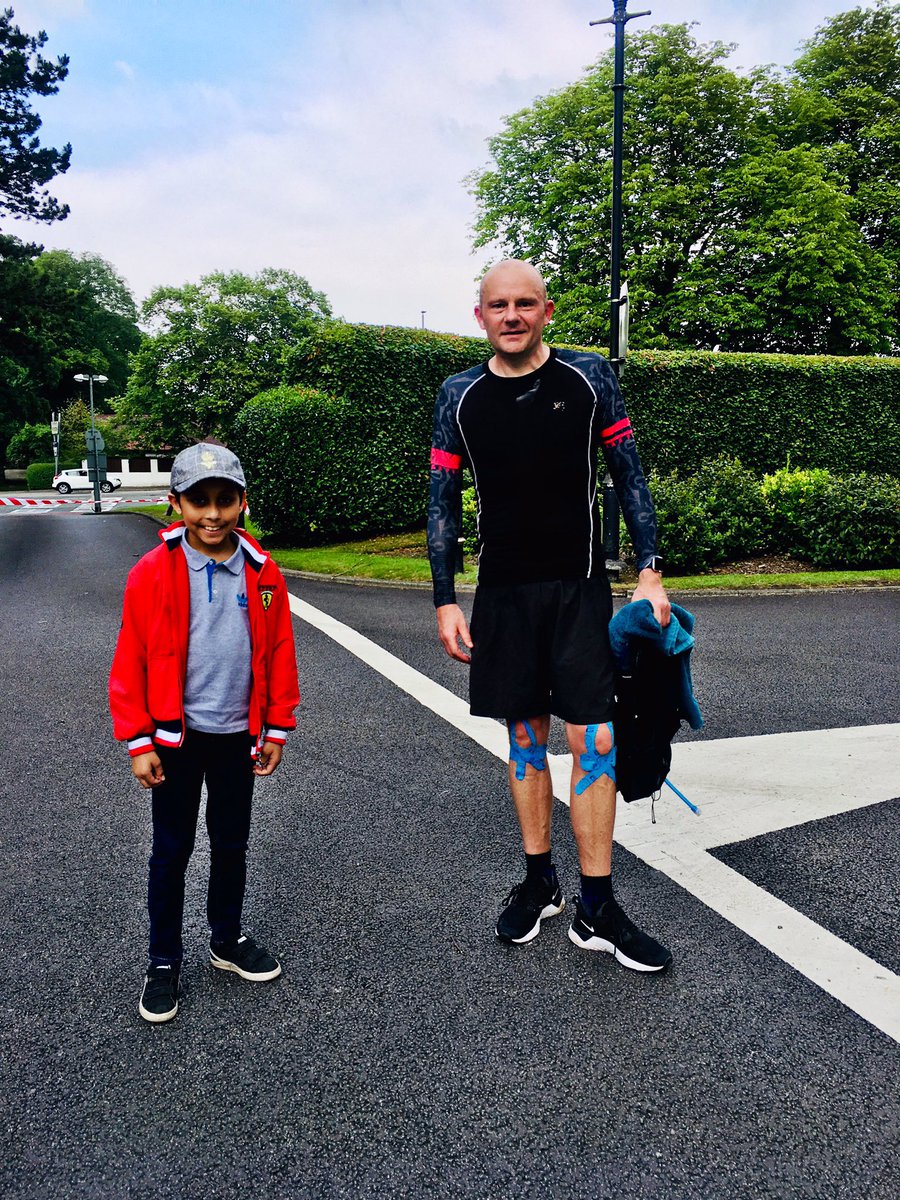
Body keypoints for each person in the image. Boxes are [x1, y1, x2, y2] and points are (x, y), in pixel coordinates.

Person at [428, 259, 673, 973]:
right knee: (524, 739)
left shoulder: (589, 377)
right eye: (497, 305)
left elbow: (630, 475)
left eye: (525, 304)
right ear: (480, 317)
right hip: (503, 591)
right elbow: (443, 502)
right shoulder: (458, 396)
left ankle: (597, 904)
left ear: (547, 310)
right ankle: (540, 882)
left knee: (594, 738)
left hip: (579, 587)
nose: (511, 315)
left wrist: (650, 568)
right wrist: (445, 596)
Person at [109, 443, 300, 1023]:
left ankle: (225, 939)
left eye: (224, 501)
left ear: (242, 503)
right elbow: (131, 659)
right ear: (176, 505)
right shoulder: (152, 572)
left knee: (232, 844)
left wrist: (277, 728)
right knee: (171, 851)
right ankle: (163, 959)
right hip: (175, 740)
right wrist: (138, 741)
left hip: (237, 738)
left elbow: (279, 651)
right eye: (198, 502)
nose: (212, 515)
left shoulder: (264, 575)